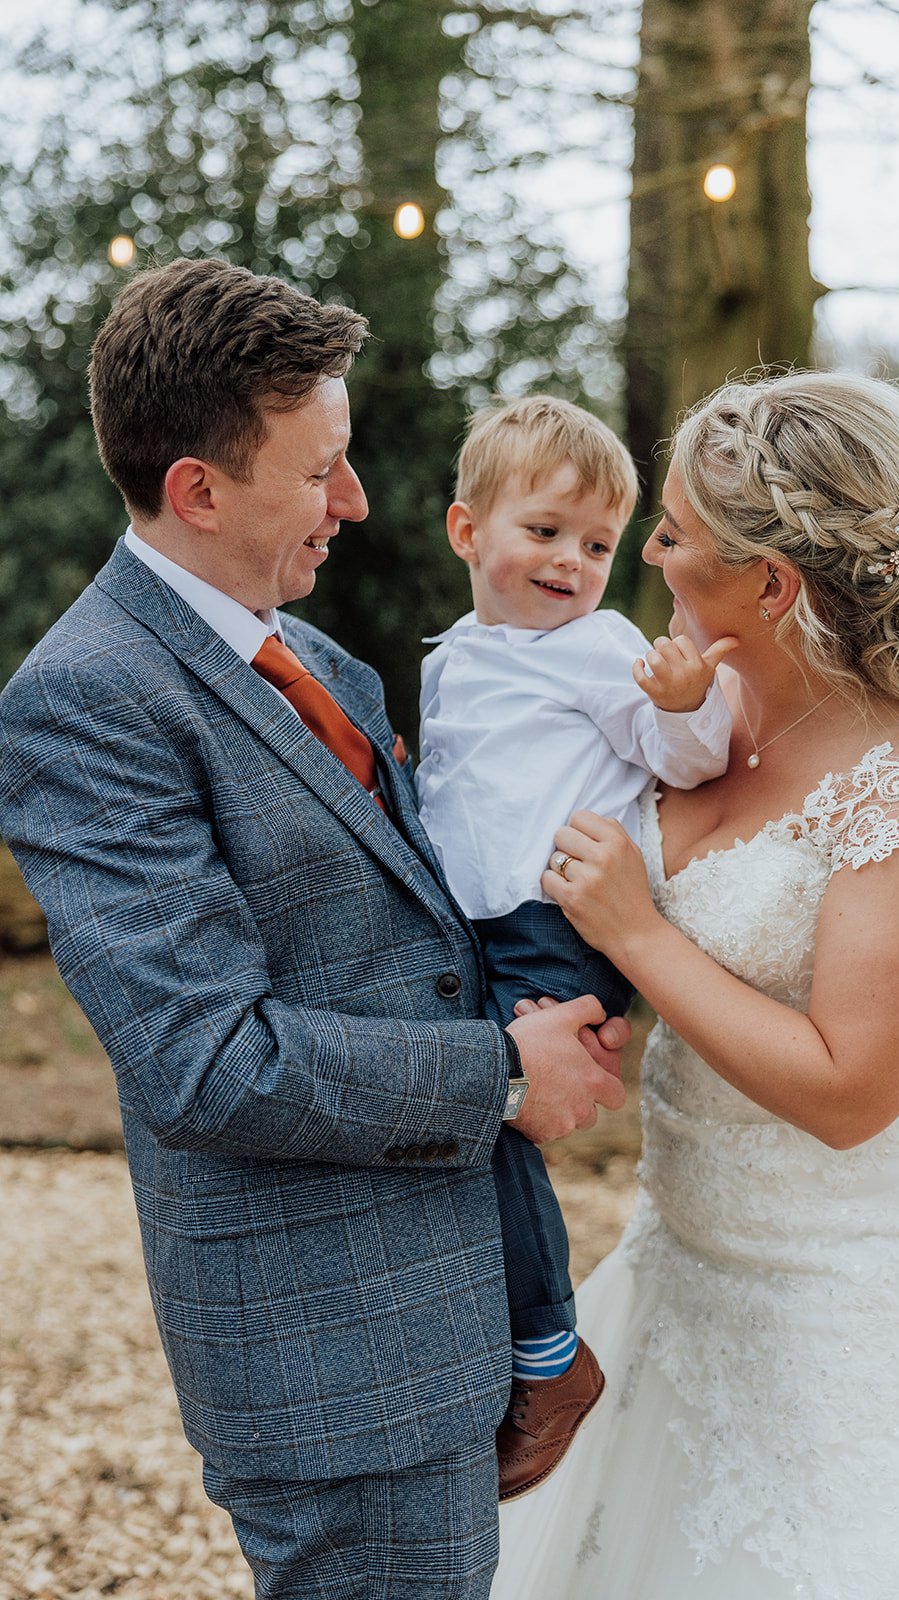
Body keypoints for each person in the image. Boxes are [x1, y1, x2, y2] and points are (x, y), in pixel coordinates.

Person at [0, 256, 632, 1600]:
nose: (353, 500)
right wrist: (509, 1076)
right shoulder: (83, 701)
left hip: (457, 1313)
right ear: (199, 490)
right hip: (332, 1355)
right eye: (321, 470)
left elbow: (430, 938)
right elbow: (202, 1058)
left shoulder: (329, 663)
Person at [491, 371, 899, 1599]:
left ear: (770, 583)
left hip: (858, 1243)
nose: (643, 551)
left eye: (673, 536)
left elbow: (852, 1089)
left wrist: (638, 933)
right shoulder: (694, 709)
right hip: (696, 1221)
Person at [417, 395, 735, 1499]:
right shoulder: (453, 656)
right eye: (544, 530)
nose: (572, 560)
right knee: (447, 1101)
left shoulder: (601, 647)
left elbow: (680, 759)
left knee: (491, 1104)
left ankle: (548, 1356)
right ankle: (485, 1328)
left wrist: (687, 704)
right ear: (468, 531)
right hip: (472, 925)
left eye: (597, 544)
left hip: (558, 917)